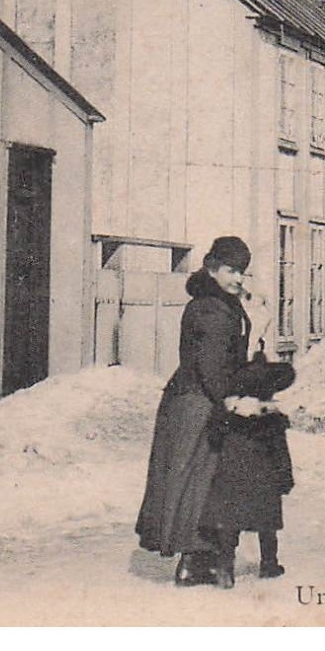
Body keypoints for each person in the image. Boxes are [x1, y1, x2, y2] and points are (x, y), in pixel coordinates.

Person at [135, 235, 254, 588]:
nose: (239, 278)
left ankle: (194, 562)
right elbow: (212, 365)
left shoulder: (216, 303)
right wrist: (231, 402)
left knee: (202, 483)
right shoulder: (211, 309)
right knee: (205, 482)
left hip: (196, 399)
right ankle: (198, 561)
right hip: (200, 403)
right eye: (232, 270)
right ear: (212, 267)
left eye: (243, 272)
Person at [201, 342, 297, 584]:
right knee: (268, 525)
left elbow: (213, 438)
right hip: (264, 479)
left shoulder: (227, 415)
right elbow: (280, 452)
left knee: (229, 525)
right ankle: (269, 564)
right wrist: (285, 478)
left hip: (232, 475)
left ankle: (225, 568)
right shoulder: (272, 419)